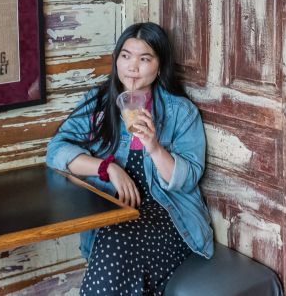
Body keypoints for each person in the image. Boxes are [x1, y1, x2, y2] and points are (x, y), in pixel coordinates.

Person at [46, 22, 213, 295]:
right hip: (117, 213)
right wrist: (107, 167)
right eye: (126, 56)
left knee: (116, 242)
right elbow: (56, 151)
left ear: (160, 66)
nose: (132, 67)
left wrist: (154, 147)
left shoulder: (180, 112)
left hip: (169, 217)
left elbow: (187, 179)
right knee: (115, 238)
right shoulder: (99, 103)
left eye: (144, 59)